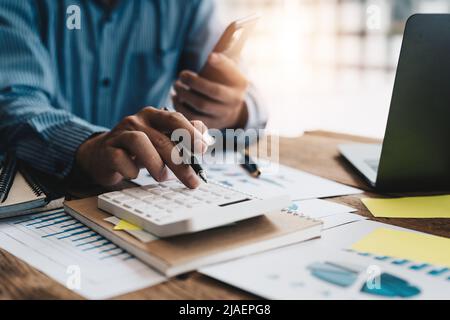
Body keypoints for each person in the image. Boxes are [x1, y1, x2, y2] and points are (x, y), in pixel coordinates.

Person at [0, 0, 267, 189]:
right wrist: (88, 146)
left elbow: (248, 99)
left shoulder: (189, 4)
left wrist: (234, 111)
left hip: (146, 187)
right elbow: (11, 102)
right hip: (39, 191)